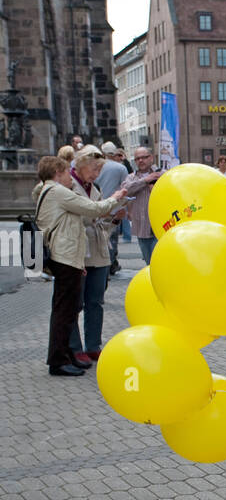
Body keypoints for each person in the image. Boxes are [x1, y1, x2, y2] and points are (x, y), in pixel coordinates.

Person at [35, 156, 127, 377]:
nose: (70, 177)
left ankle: (66, 356)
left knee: (66, 310)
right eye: (67, 172)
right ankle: (58, 361)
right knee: (64, 311)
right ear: (58, 171)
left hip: (68, 258)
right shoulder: (57, 191)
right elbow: (93, 209)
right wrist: (116, 197)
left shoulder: (52, 191)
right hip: (64, 258)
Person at [68, 146, 115, 364]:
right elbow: (77, 217)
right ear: (82, 164)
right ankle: (75, 348)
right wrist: (101, 210)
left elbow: (101, 223)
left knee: (95, 302)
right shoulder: (68, 186)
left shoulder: (94, 188)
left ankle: (93, 346)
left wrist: (113, 219)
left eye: (99, 170)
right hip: (78, 252)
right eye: (94, 169)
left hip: (99, 252)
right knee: (75, 303)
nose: (96, 174)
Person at [121, 147, 162, 264]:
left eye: (144, 157)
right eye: (137, 158)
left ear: (151, 158)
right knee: (149, 263)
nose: (140, 160)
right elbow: (125, 190)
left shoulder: (161, 174)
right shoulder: (131, 177)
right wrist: (145, 181)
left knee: (158, 262)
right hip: (141, 228)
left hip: (159, 227)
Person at [98, 143, 129, 276]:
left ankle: (103, 266)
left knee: (98, 238)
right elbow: (125, 189)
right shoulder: (120, 168)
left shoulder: (95, 166)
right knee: (111, 239)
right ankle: (110, 265)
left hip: (96, 207)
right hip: (113, 209)